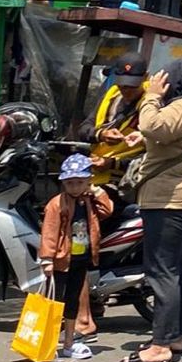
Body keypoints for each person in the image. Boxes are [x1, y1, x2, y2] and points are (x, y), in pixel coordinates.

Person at [121, 60, 182, 362]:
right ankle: (176, 336)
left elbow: (152, 125)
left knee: (162, 271)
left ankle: (161, 345)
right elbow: (171, 138)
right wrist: (144, 140)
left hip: (170, 201)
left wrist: (151, 96)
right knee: (180, 269)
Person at [76, 51, 147, 341]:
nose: (127, 90)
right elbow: (83, 128)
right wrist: (101, 135)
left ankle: (86, 313)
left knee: (80, 235)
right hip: (93, 176)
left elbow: (153, 150)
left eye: (133, 85)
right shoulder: (110, 96)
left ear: (144, 80)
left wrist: (113, 162)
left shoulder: (152, 104)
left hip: (126, 183)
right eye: (123, 84)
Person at [39, 154, 113, 361]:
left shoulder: (88, 200)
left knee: (73, 302)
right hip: (61, 261)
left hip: (80, 259)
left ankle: (69, 343)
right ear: (63, 183)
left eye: (79, 182)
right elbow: (50, 231)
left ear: (88, 181)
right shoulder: (56, 204)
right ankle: (49, 344)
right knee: (55, 302)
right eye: (70, 183)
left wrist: (96, 190)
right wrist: (47, 258)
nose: (74, 187)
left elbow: (107, 210)